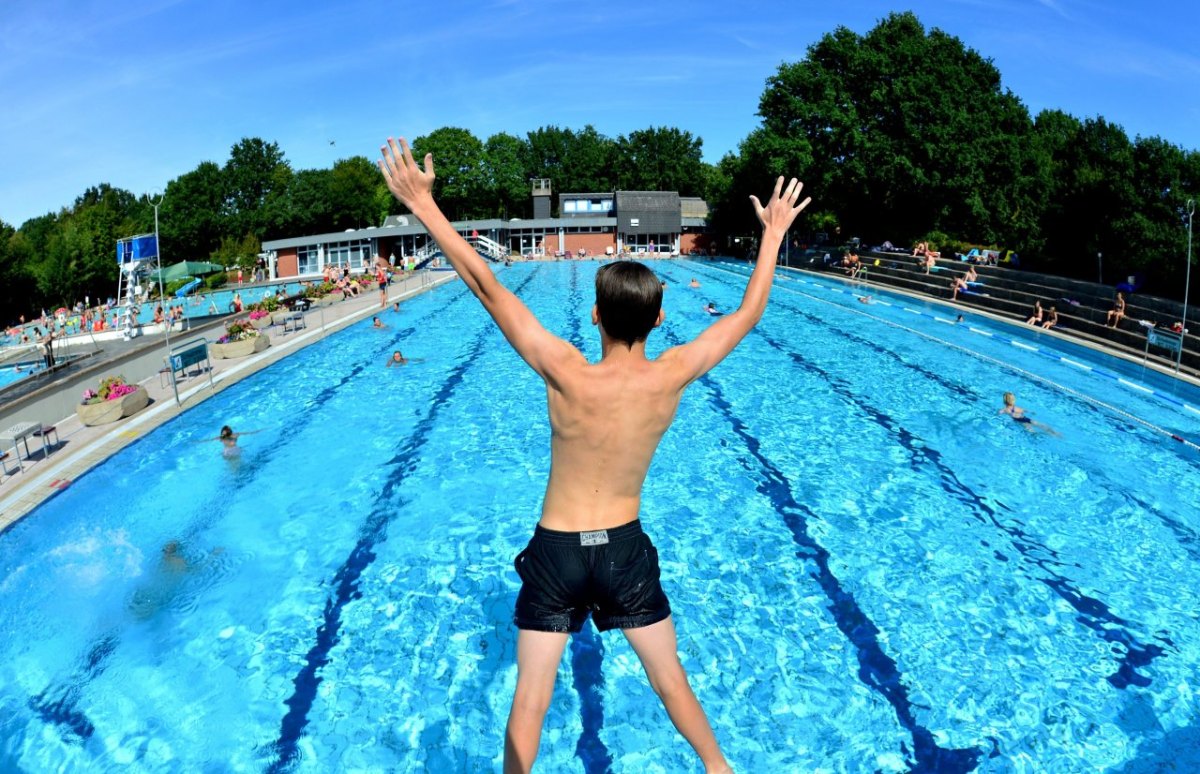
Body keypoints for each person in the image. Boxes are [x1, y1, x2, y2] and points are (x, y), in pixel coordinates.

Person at [378, 135, 810, 774]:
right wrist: (771, 235)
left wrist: (424, 205)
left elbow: (486, 283)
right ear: (660, 321)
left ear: (594, 316)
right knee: (670, 682)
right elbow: (748, 312)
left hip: (557, 548)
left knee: (531, 698)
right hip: (625, 550)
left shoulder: (565, 371)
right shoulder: (672, 374)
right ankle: (720, 770)